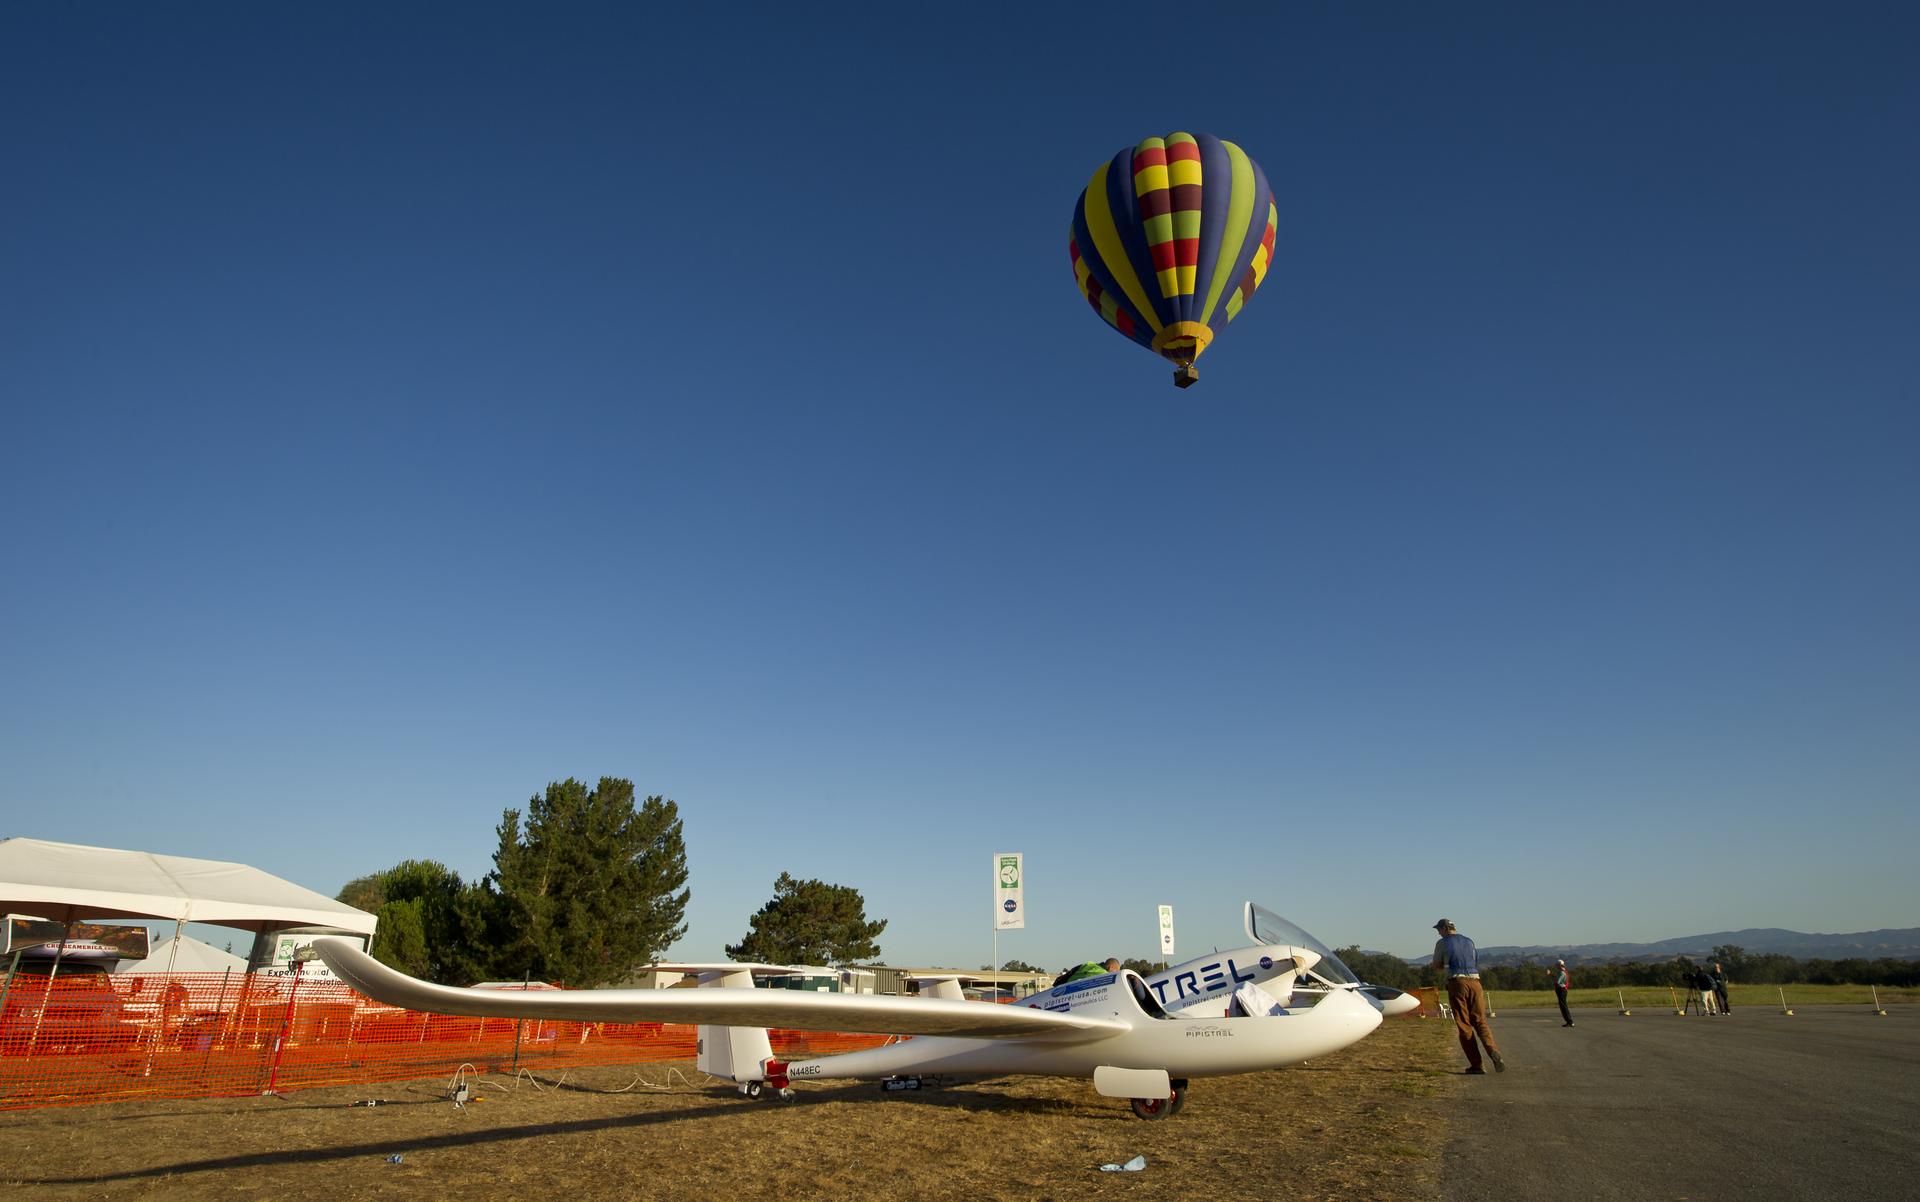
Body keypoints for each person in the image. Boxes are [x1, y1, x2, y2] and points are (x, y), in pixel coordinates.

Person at [1430, 919, 1504, 1073]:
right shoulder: (1469, 941)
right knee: (1480, 1021)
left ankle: (1477, 1065)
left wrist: (1438, 965)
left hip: (1457, 983)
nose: (1438, 933)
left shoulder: (1442, 943)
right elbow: (1474, 961)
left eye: (1439, 930)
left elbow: (1437, 964)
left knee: (1464, 1025)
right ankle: (1493, 1051)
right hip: (1476, 983)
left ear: (1445, 929)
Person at [1553, 959, 1574, 1026]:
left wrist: (1551, 975)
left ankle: (1570, 1022)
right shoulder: (1563, 971)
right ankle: (1569, 1022)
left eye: (1557, 965)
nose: (1556, 966)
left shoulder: (1562, 973)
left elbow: (1557, 982)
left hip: (1561, 990)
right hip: (1562, 990)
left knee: (1563, 1006)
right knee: (1563, 1006)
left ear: (1560, 965)